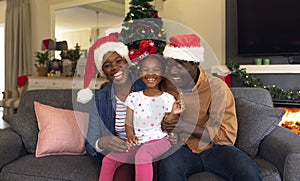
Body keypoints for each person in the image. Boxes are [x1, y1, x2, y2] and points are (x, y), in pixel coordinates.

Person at [158, 34, 262, 181]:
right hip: (180, 149)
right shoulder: (164, 85)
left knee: (248, 171)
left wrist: (185, 127)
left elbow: (226, 136)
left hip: (216, 149)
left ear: (195, 63)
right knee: (168, 169)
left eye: (180, 64)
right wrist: (165, 123)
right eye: (170, 64)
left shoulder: (217, 88)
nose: (173, 71)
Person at [98, 53, 184, 181]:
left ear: (163, 73)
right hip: (138, 142)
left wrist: (173, 113)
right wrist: (130, 135)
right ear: (139, 73)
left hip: (161, 141)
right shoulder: (133, 97)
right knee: (109, 159)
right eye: (146, 70)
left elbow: (168, 124)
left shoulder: (168, 98)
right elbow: (128, 123)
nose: (150, 74)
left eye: (156, 70)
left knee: (143, 154)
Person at [77, 33, 144, 181]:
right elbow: (90, 143)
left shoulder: (146, 88)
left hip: (149, 152)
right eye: (107, 65)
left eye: (119, 61)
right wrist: (101, 142)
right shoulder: (100, 99)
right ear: (104, 72)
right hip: (123, 154)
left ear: (127, 63)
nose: (114, 67)